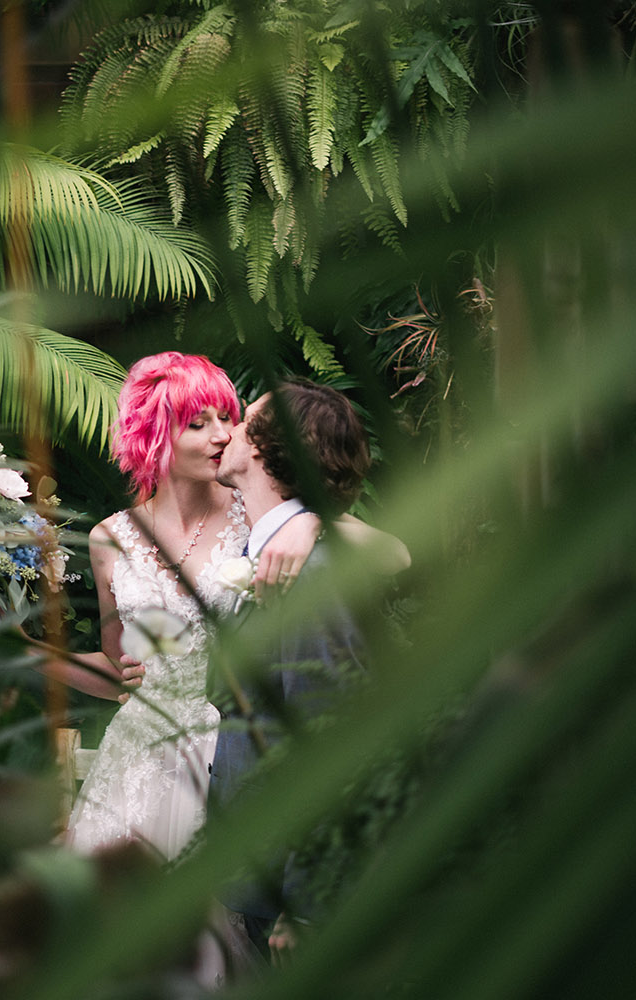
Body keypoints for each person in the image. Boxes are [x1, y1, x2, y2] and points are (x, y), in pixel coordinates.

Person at [50, 354, 406, 862]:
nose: (221, 435)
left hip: (230, 750)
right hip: (138, 761)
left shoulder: (259, 508)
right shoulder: (110, 538)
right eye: (198, 424)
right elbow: (121, 671)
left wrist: (310, 523)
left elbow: (395, 553)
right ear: (155, 436)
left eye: (226, 418)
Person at [206, 377, 378, 966]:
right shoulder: (273, 556)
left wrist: (307, 903)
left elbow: (331, 726)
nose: (223, 433)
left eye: (241, 419)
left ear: (260, 446)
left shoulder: (312, 572)